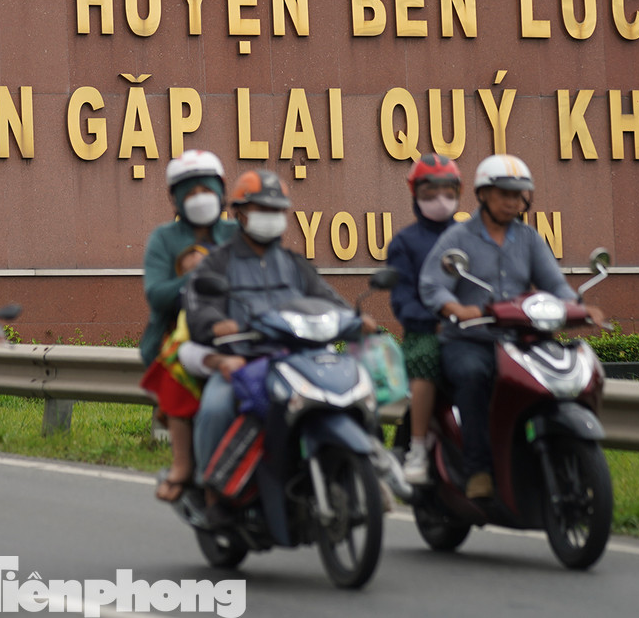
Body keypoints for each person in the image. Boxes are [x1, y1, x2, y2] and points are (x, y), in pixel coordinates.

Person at [418, 154, 604, 500]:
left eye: (519, 195)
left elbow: (555, 285)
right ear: (483, 194)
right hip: (471, 341)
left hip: (523, 341)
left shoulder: (530, 239)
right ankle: (478, 471)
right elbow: (432, 285)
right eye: (505, 193)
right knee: (474, 376)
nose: (513, 201)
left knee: (556, 379)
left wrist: (578, 308)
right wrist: (456, 307)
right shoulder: (457, 238)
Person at [183, 169, 376, 489]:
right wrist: (215, 323)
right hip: (244, 362)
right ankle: (212, 490)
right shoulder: (217, 262)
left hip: (298, 358)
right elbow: (198, 306)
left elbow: (327, 298)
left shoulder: (293, 263)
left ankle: (368, 472)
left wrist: (355, 319)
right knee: (217, 407)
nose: (271, 217)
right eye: (263, 209)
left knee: (356, 395)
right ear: (240, 213)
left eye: (277, 210)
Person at [138, 150, 238, 502]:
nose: (199, 198)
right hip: (182, 332)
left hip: (240, 328)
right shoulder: (165, 240)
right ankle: (183, 464)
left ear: (221, 190)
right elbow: (157, 295)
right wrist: (198, 276)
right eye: (190, 192)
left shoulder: (237, 232)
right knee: (178, 371)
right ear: (175, 198)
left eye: (205, 190)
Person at [386, 153, 462, 485]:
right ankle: (417, 448)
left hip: (472, 329)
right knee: (428, 360)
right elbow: (402, 300)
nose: (440, 200)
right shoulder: (404, 243)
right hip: (425, 333)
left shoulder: (469, 236)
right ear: (414, 192)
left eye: (447, 191)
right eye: (430, 192)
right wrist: (431, 321)